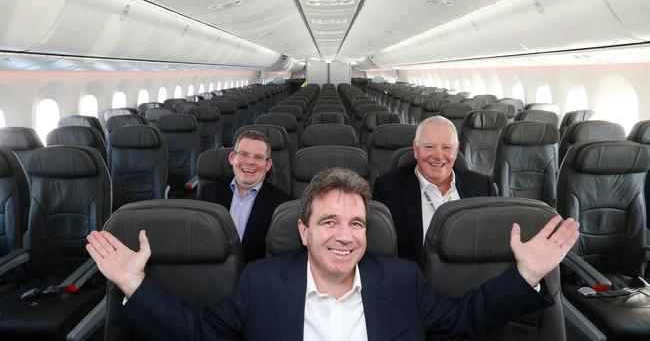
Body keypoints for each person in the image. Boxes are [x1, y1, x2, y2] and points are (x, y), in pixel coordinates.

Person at [87, 168, 580, 341]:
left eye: (356, 223)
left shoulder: (400, 279)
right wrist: (134, 283)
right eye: (329, 222)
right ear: (303, 232)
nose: (345, 236)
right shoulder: (262, 283)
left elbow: (467, 318)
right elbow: (199, 333)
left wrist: (527, 274)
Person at [373, 116, 496, 262]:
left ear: (456, 151)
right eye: (429, 146)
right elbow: (382, 252)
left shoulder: (482, 187)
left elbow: (491, 245)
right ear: (416, 149)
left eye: (447, 147)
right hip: (415, 279)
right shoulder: (388, 189)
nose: (438, 155)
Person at [198, 129, 290, 263]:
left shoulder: (282, 205)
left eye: (258, 157)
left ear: (268, 165)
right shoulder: (208, 194)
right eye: (243, 154)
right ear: (232, 158)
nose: (250, 162)